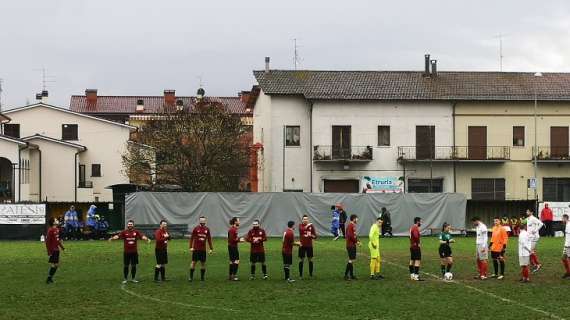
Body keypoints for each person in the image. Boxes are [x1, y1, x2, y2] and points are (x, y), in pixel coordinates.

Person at [189, 216, 214, 281]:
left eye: (203, 220)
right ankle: (190, 277)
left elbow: (209, 239)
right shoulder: (196, 229)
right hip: (196, 249)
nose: (202, 221)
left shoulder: (207, 229)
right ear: (199, 221)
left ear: (205, 221)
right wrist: (191, 247)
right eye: (201, 220)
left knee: (203, 263)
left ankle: (202, 278)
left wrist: (211, 248)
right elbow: (192, 238)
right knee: (193, 262)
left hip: (203, 250)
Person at [46, 217, 65, 284]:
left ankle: (50, 278)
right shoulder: (50, 230)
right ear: (53, 222)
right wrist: (49, 251)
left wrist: (62, 247)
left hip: (57, 250)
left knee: (56, 264)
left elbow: (57, 240)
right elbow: (47, 241)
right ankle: (49, 278)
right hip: (53, 250)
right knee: (55, 264)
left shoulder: (57, 229)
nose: (57, 221)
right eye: (56, 220)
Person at [526, 208, 544, 273]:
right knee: (529, 251)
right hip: (530, 237)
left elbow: (541, 224)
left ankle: (537, 264)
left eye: (528, 211)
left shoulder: (533, 218)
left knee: (530, 251)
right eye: (527, 211)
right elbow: (529, 228)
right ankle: (533, 264)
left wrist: (536, 230)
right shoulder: (528, 219)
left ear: (531, 212)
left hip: (534, 237)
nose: (526, 212)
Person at [227, 217, 245, 281]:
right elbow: (232, 239)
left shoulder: (233, 229)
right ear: (235, 222)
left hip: (231, 246)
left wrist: (238, 239)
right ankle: (234, 276)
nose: (239, 222)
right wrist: (240, 240)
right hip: (233, 246)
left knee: (232, 261)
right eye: (238, 220)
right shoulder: (233, 229)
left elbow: (233, 238)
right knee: (236, 260)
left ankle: (230, 276)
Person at [344, 214, 360, 280]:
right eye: (357, 218)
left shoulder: (351, 225)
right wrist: (357, 242)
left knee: (352, 260)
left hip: (352, 245)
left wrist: (357, 241)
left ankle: (351, 275)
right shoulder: (350, 225)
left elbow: (354, 235)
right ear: (353, 219)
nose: (357, 220)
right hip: (350, 245)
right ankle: (346, 275)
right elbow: (351, 236)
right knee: (351, 260)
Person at [409, 217, 424, 281]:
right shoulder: (415, 228)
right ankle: (416, 276)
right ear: (417, 221)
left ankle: (412, 275)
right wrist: (418, 243)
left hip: (412, 246)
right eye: (420, 221)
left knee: (412, 260)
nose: (421, 223)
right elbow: (415, 236)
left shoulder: (412, 227)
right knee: (417, 260)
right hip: (415, 247)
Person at [561, 214, 570, 279]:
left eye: (562, 218)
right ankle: (568, 272)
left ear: (565, 218)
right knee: (563, 259)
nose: (562, 220)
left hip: (568, 245)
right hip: (566, 245)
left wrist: (568, 245)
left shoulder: (569, 225)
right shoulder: (567, 224)